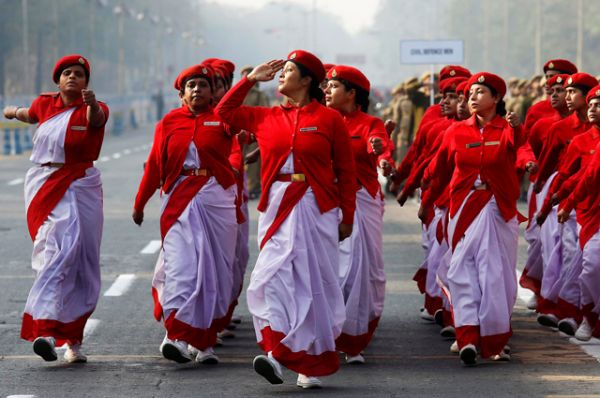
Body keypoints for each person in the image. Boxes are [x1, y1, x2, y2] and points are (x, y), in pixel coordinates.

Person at [216, 50, 356, 389]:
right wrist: (249, 80)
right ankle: (278, 351)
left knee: (312, 285)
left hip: (316, 206)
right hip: (277, 207)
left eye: (289, 70)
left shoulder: (329, 119)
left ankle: (307, 360)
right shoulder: (264, 117)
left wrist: (347, 216)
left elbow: (346, 171)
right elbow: (224, 111)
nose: (281, 75)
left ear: (307, 80)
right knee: (270, 279)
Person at [2, 54, 109, 363]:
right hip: (45, 183)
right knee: (55, 252)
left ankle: (73, 341)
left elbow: (96, 121)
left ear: (87, 82)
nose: (73, 77)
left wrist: (90, 104)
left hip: (81, 183)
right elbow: (28, 114)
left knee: (82, 262)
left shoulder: (97, 107)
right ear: (58, 80)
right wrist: (10, 111)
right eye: (67, 73)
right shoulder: (45, 104)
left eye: (79, 74)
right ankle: (45, 330)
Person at [132, 64, 238, 365]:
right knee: (181, 268)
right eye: (191, 86)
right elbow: (154, 165)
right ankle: (175, 335)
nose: (197, 90)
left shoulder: (223, 119)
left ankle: (204, 341)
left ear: (212, 92)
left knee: (214, 272)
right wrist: (140, 203)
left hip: (216, 199)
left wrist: (250, 80)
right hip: (179, 199)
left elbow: (240, 143)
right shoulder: (168, 122)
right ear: (181, 94)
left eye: (203, 85)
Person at [420, 72, 525, 365]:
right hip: (463, 207)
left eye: (480, 92)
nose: (472, 98)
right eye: (470, 94)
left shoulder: (507, 129)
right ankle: (467, 335)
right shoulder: (455, 132)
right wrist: (425, 202)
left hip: (496, 208)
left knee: (494, 275)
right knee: (460, 270)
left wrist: (519, 136)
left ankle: (492, 337)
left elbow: (521, 149)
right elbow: (437, 171)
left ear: (496, 99)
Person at [323, 65, 390, 364]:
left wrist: (381, 151)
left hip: (362, 200)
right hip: (327, 202)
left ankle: (353, 339)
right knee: (329, 270)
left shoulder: (369, 123)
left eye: (334, 86)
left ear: (352, 94)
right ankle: (327, 335)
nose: (327, 91)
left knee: (361, 272)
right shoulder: (321, 121)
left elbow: (381, 145)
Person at [533, 73, 596, 331]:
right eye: (563, 92)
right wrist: (546, 203)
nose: (567, 98)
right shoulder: (564, 130)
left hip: (592, 203)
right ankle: (568, 312)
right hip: (574, 206)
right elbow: (558, 172)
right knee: (569, 256)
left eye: (572, 92)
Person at [240, 65, 271, 200]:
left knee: (252, 163)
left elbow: (265, 112)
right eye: (245, 74)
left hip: (253, 132)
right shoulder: (238, 93)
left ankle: (252, 187)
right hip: (239, 131)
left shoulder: (259, 95)